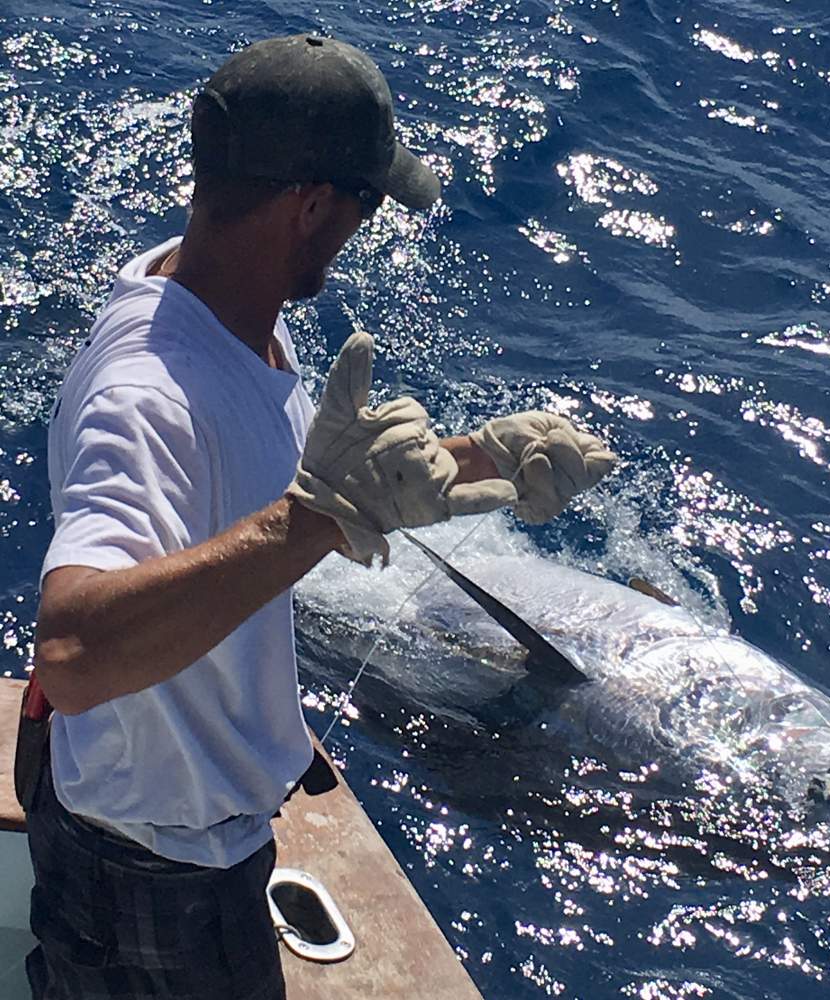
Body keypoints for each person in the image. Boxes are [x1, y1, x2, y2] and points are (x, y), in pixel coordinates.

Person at [26, 33, 616, 1000]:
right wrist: (318, 518)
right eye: (364, 204)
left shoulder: (229, 304)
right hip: (155, 867)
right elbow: (75, 656)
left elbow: (265, 491)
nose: (362, 230)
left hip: (155, 819)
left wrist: (483, 460)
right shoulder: (149, 395)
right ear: (308, 206)